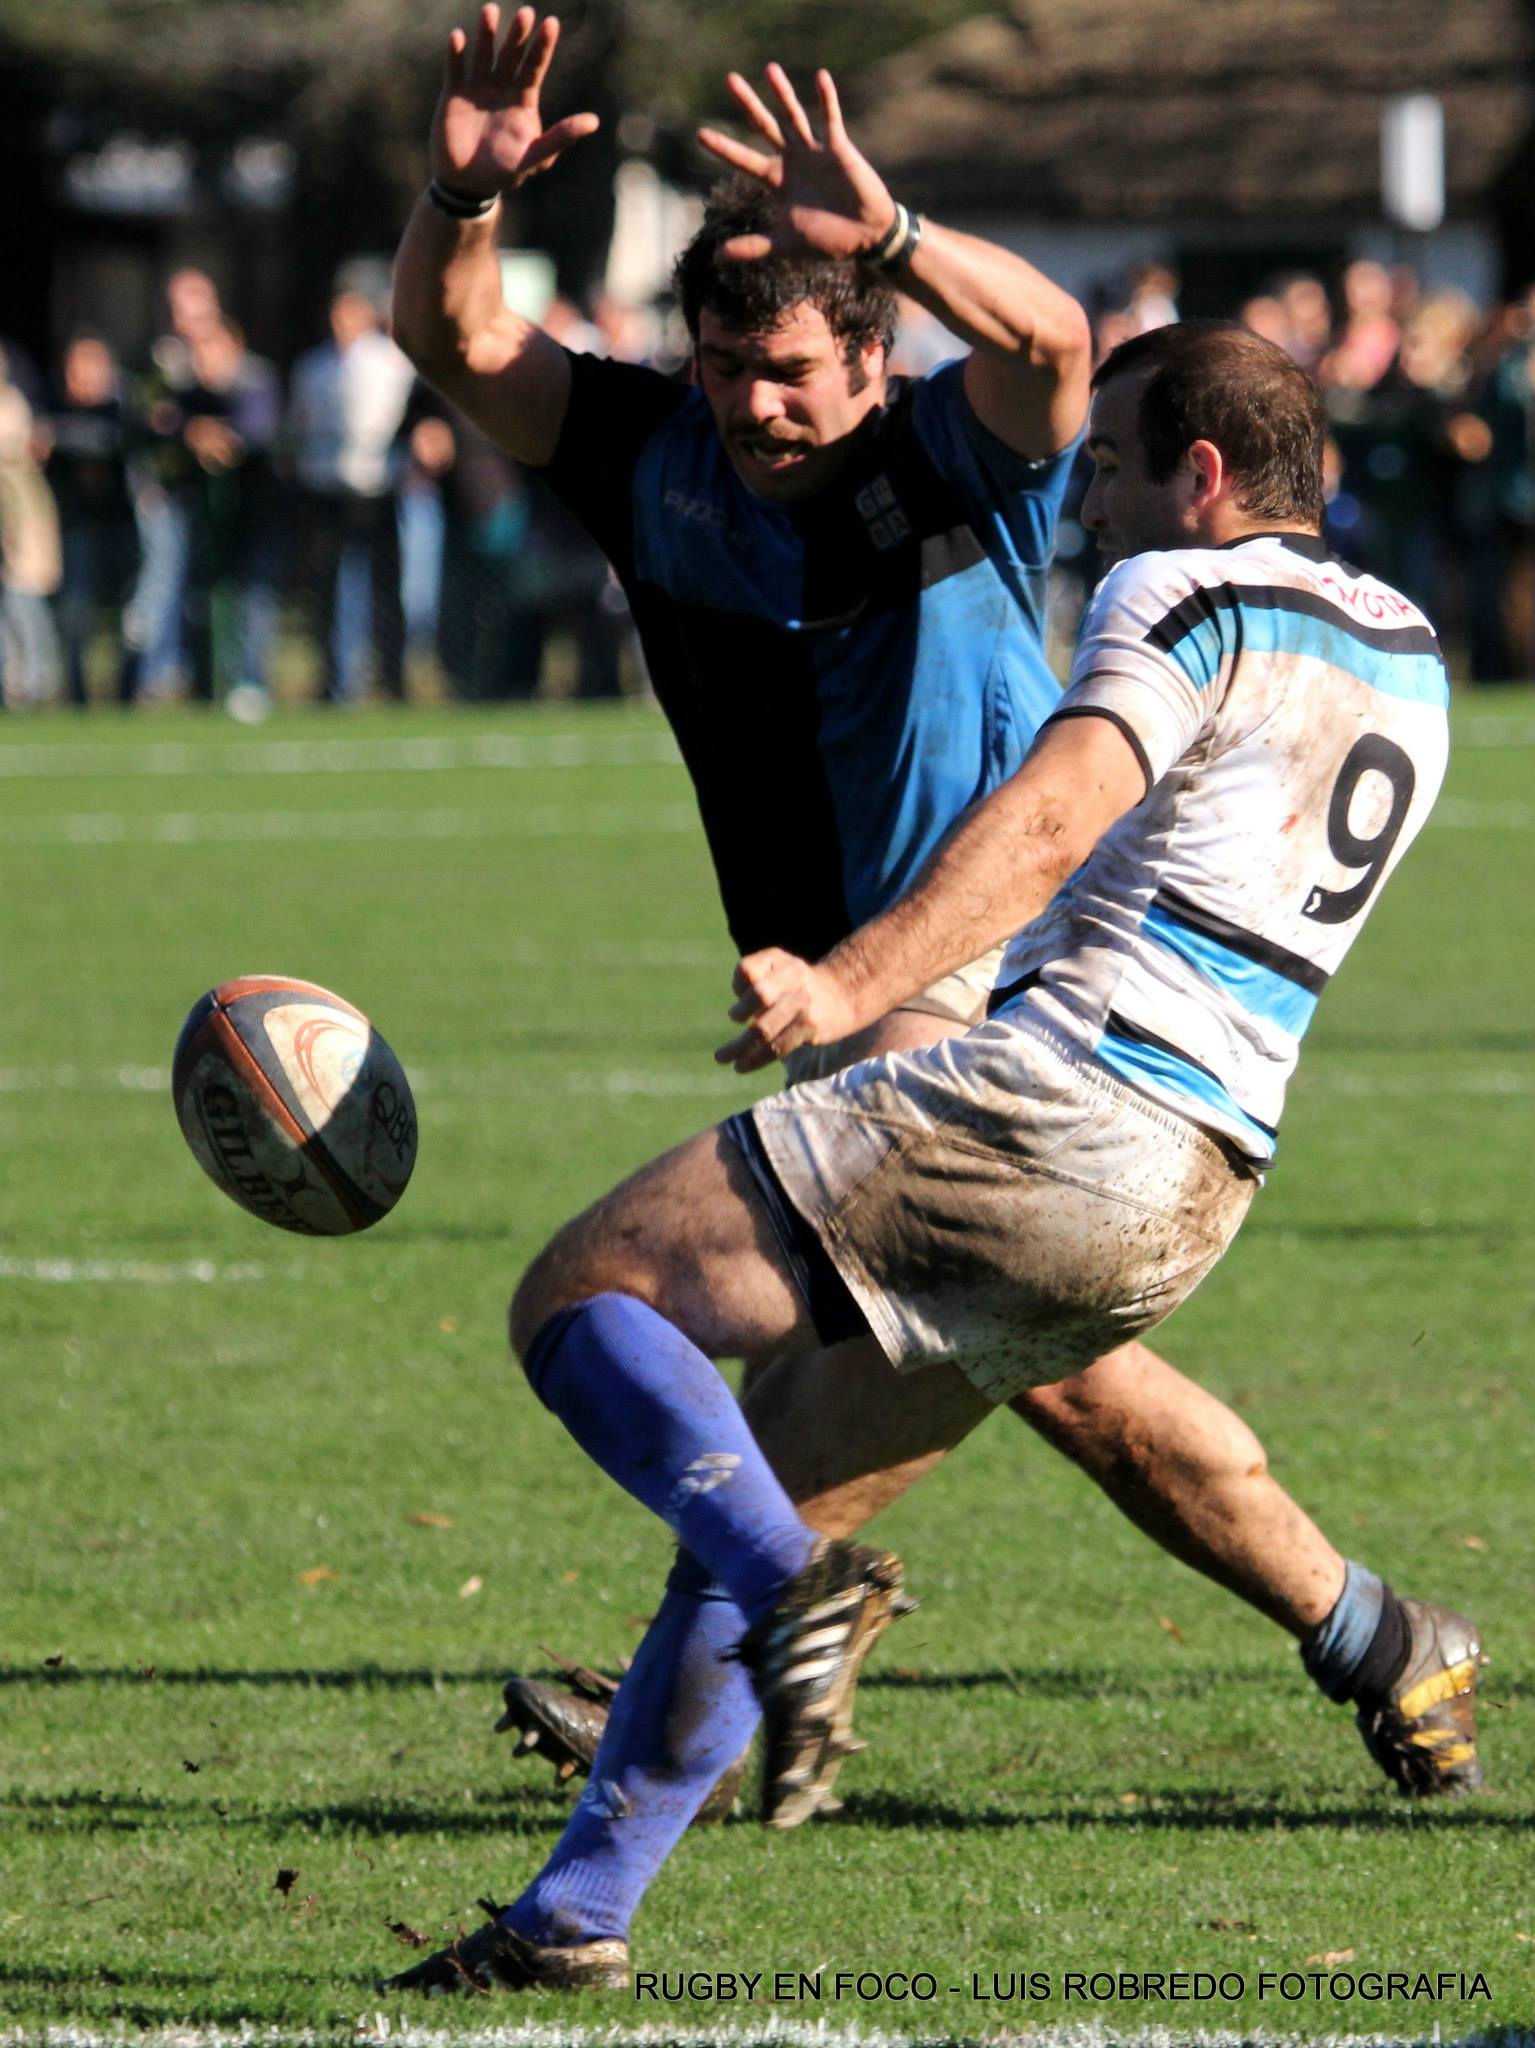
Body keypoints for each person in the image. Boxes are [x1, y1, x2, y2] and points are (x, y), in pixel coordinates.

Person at [386, 14, 1481, 1982]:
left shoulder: (953, 462)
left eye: (786, 368)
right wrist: (462, 196)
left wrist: (884, 225)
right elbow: (457, 346)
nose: (749, 404)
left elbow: (1056, 365)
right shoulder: (648, 456)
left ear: (864, 355)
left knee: (635, 1337)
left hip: (970, 996)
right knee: (975, 1417)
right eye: (721, 366)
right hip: (1064, 1074)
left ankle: (795, 1615)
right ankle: (593, 1891)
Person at [287, 287, 415, 702]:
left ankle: (391, 676)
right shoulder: (314, 366)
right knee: (324, 584)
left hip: (375, 485)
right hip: (325, 485)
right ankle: (332, 675)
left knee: (384, 585)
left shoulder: (392, 362)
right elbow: (300, 424)